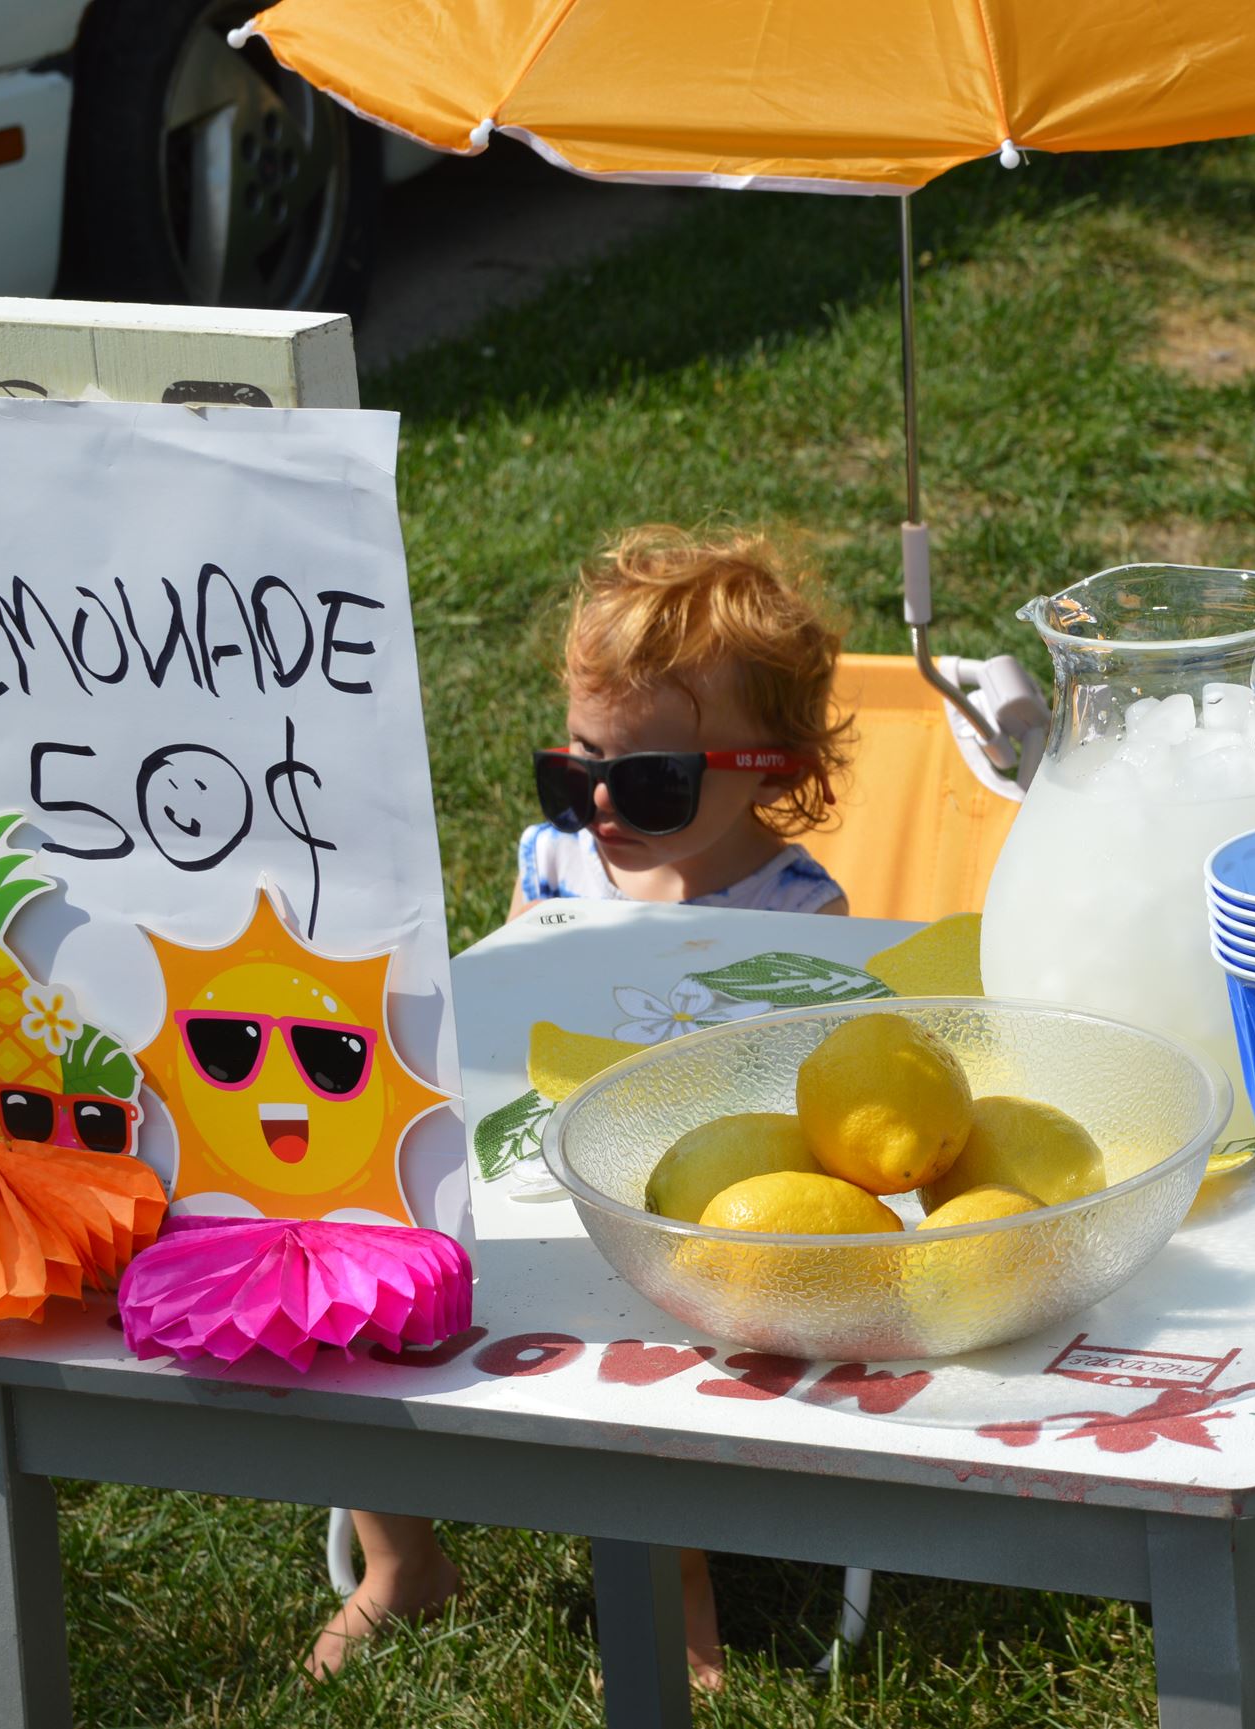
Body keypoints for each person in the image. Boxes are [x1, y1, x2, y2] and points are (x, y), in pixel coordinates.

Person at [311, 524, 855, 1686]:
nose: (601, 802)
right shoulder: (557, 860)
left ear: (777, 772)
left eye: (648, 780)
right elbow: (512, 992)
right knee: (352, 1258)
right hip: (525, 1154)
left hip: (687, 1204)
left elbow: (789, 1090)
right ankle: (399, 1557)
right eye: (576, 768)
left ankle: (676, 1588)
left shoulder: (795, 912)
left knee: (663, 1296)